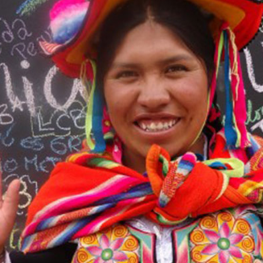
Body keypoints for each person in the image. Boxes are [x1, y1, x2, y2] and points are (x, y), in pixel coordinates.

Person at [1, 0, 263, 262]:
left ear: (211, 73)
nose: (152, 97)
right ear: (101, 86)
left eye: (175, 69)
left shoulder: (256, 187)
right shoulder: (70, 204)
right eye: (127, 74)